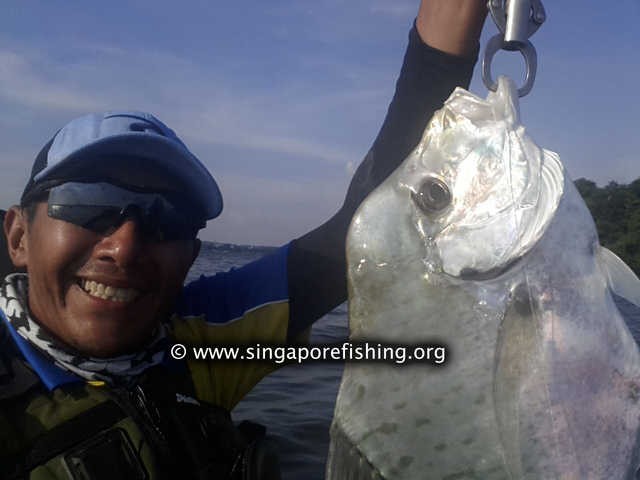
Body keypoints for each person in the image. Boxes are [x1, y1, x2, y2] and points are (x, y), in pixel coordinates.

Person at [0, 1, 488, 478]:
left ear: (191, 255)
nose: (124, 246)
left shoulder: (199, 343)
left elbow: (365, 224)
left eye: (167, 220)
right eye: (88, 205)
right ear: (19, 235)